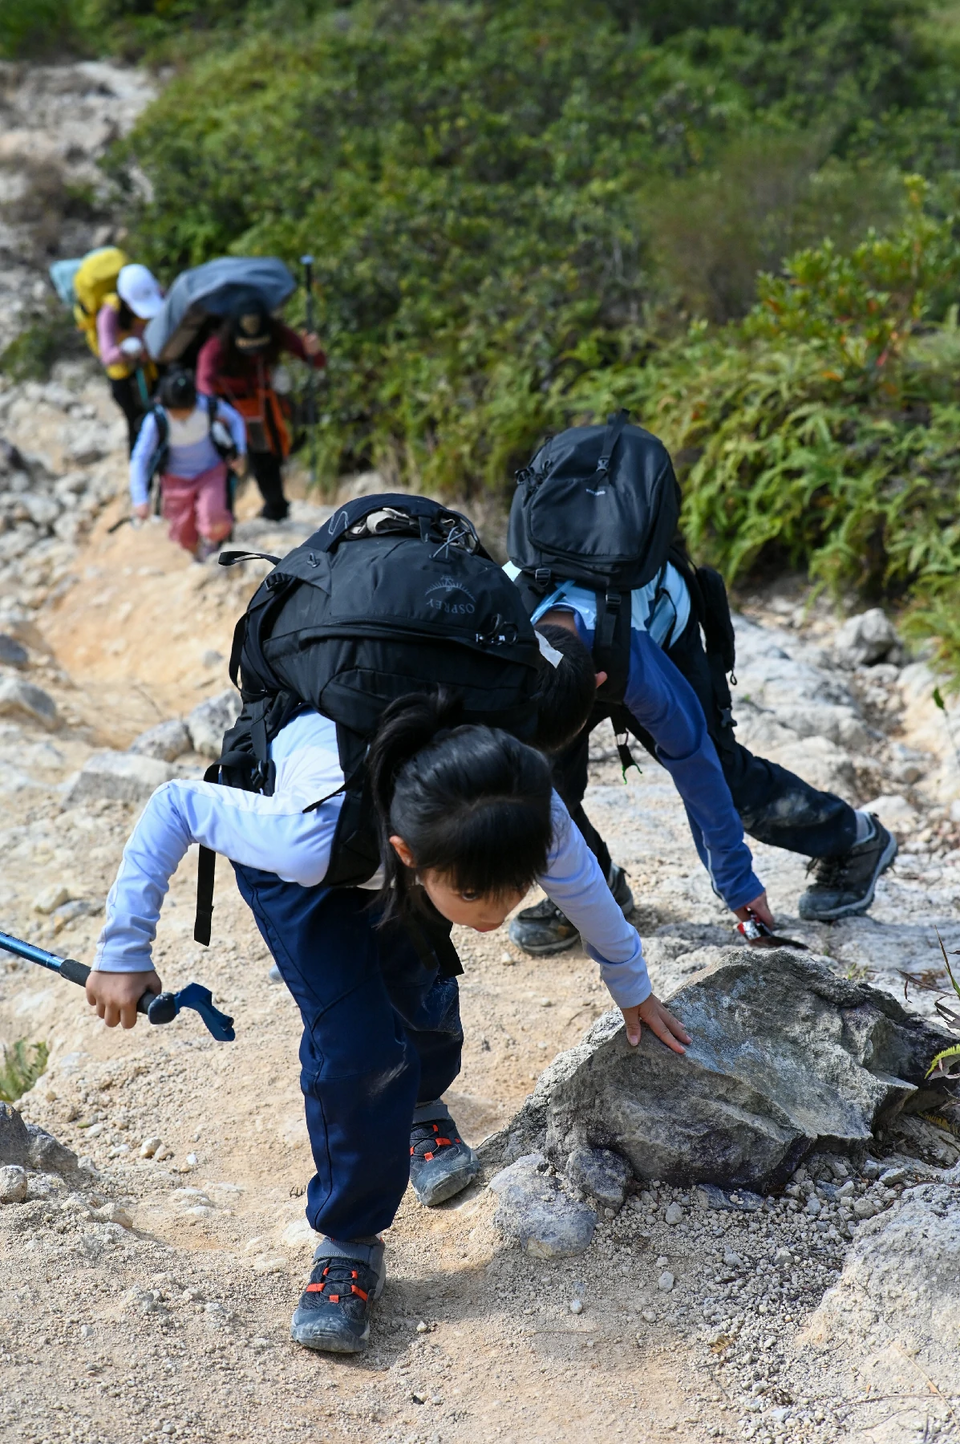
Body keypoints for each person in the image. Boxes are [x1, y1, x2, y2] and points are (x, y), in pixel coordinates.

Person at [85, 667, 688, 1357]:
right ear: (409, 857)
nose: (495, 918)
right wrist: (123, 947)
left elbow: (583, 890)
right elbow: (175, 806)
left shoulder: (521, 811)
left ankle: (422, 1105)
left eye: (514, 892)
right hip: (310, 858)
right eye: (474, 896)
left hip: (400, 839)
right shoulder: (301, 838)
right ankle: (348, 1239)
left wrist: (632, 987)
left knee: (420, 980)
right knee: (356, 1044)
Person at [505, 556, 897, 954]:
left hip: (660, 623)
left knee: (725, 779)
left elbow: (696, 766)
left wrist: (735, 880)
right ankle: (596, 883)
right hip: (565, 630)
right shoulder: (495, 631)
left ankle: (854, 839)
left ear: (598, 683)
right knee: (539, 774)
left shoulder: (637, 666)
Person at [196, 304, 325, 522]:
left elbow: (316, 361)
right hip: (225, 407)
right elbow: (203, 384)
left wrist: (314, 350)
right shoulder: (215, 346)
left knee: (266, 456)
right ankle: (223, 515)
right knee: (226, 459)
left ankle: (276, 508)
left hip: (259, 404)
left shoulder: (276, 332)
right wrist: (215, 416)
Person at [129, 368, 246, 561]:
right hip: (175, 480)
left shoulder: (208, 406)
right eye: (176, 412)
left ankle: (213, 547)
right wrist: (140, 498)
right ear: (164, 405)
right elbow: (140, 458)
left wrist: (240, 450)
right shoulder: (156, 420)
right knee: (184, 532)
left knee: (214, 516)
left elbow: (235, 419)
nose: (182, 415)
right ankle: (196, 555)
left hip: (211, 472)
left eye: (186, 411)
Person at [96, 263, 164, 454]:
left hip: (152, 368)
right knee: (137, 423)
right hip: (124, 377)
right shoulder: (109, 313)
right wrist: (125, 352)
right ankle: (140, 471)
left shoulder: (157, 293)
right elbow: (107, 355)